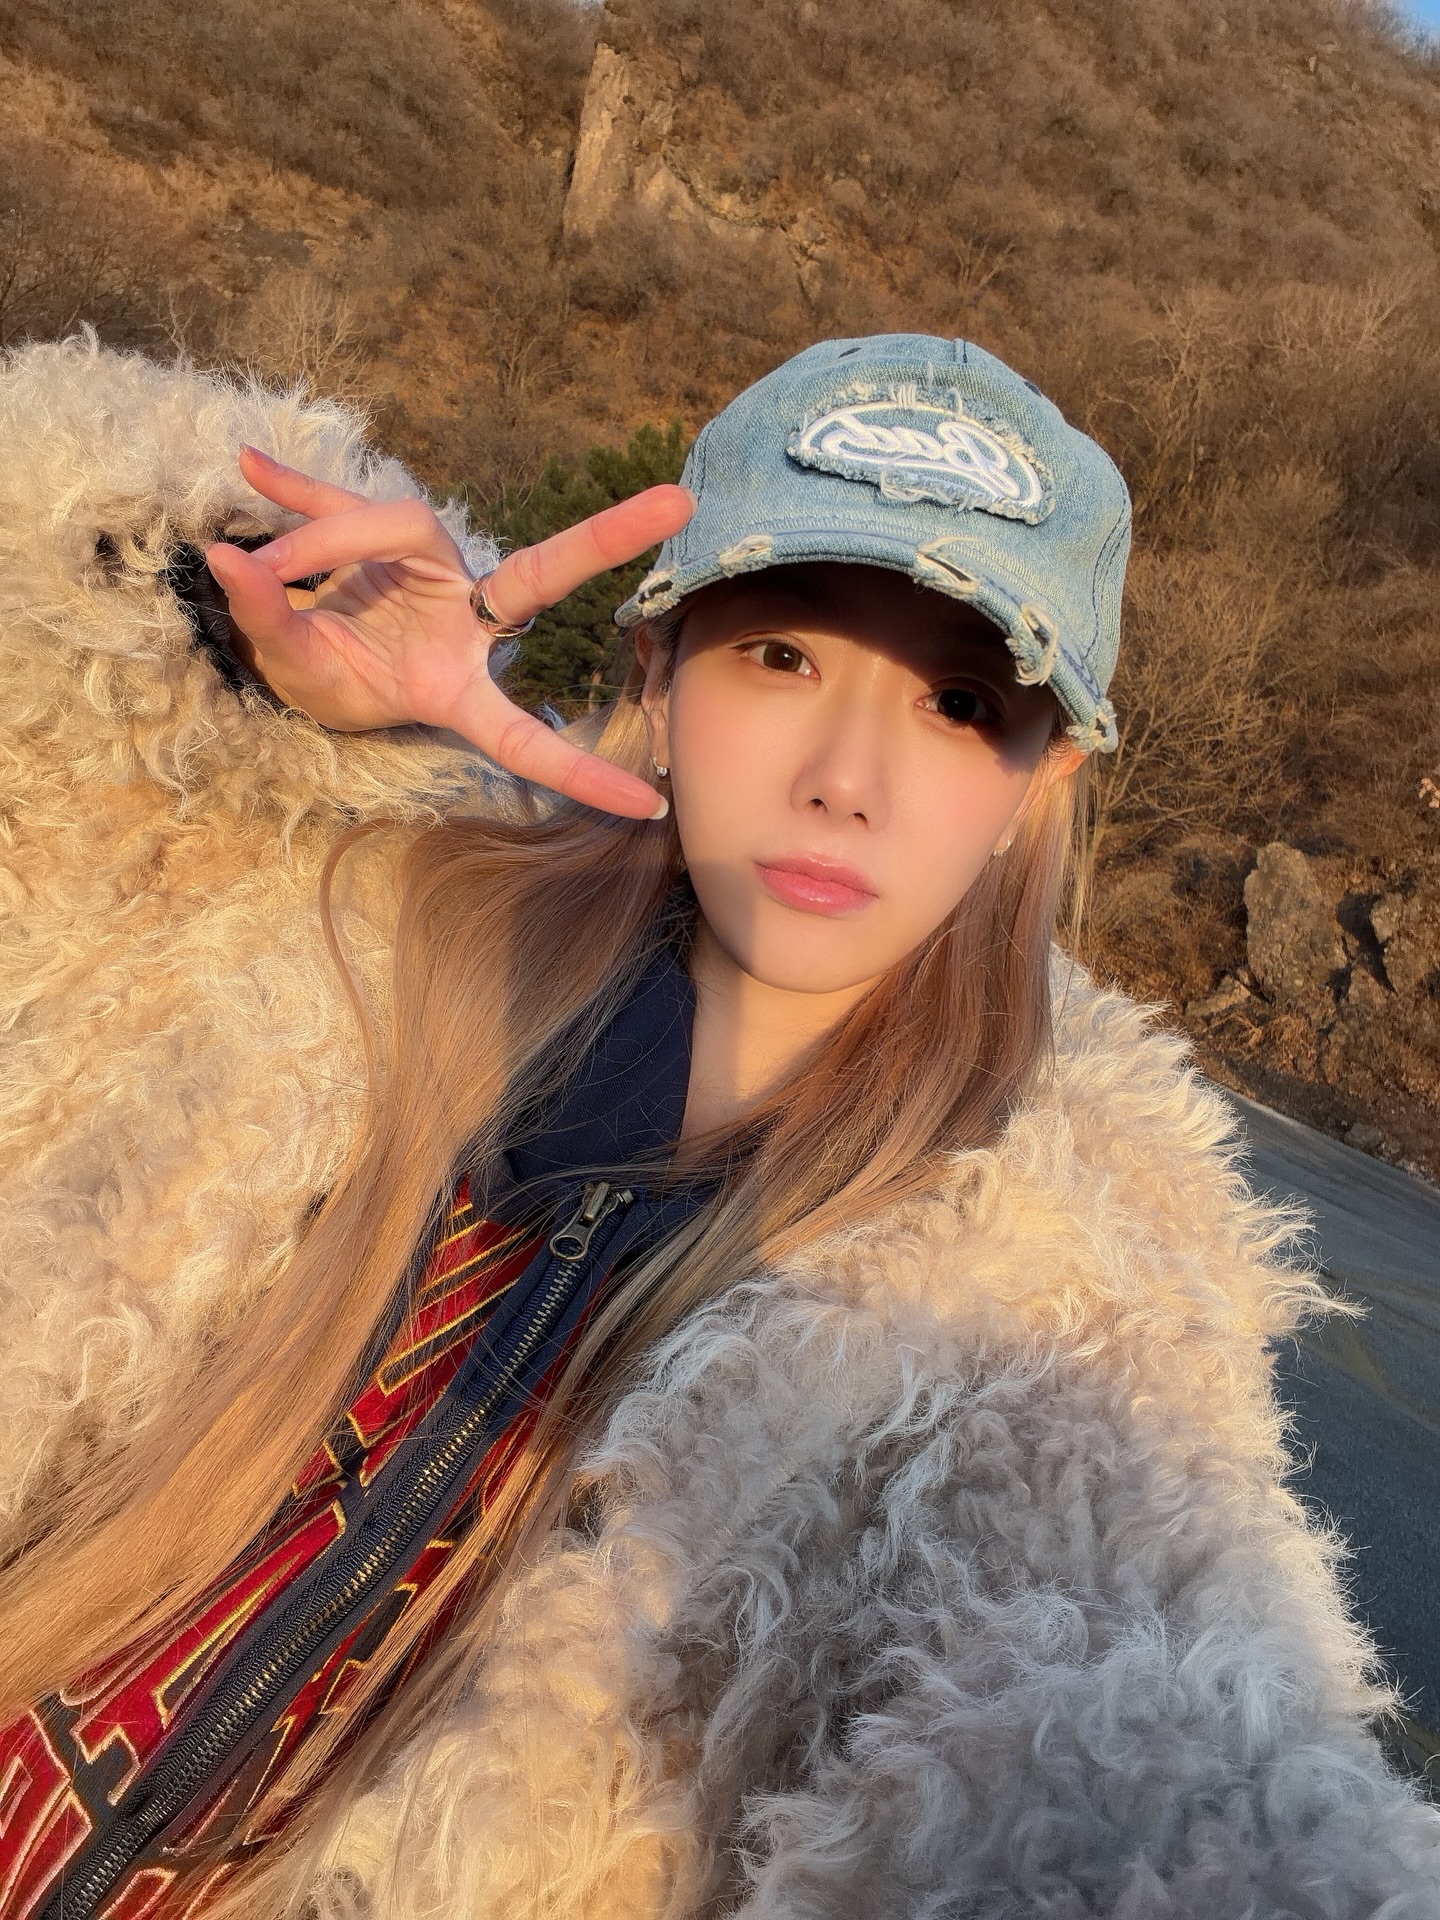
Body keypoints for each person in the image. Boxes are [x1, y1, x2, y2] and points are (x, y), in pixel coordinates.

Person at [1, 333, 1436, 1920]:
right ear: (658, 676)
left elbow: (1131, 1747)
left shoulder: (1051, 1328)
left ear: (1038, 786)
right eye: (780, 654)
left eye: (960, 702)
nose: (846, 780)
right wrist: (230, 644)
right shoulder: (358, 935)